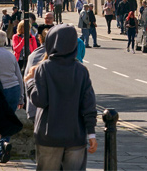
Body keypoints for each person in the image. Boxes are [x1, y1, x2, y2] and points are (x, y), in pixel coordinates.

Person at [25, 25, 98, 169]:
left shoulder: (43, 68)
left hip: (48, 135)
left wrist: (29, 82)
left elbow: (39, 100)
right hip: (75, 136)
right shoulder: (81, 71)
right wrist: (91, 134)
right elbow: (89, 105)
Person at [0, 30, 24, 159]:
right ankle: (4, 145)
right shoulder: (11, 55)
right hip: (14, 89)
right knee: (8, 120)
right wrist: (21, 96)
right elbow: (18, 75)